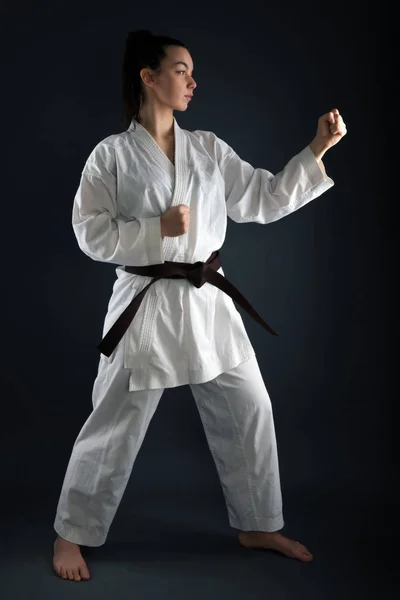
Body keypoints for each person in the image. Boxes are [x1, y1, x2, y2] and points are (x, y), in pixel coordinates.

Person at [52, 29, 347, 581]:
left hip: (208, 299)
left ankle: (258, 521)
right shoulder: (111, 155)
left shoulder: (208, 147)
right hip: (146, 303)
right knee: (114, 424)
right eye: (182, 69)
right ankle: (71, 534)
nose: (192, 80)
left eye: (191, 71)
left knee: (249, 409)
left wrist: (317, 150)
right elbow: (88, 231)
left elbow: (261, 197)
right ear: (148, 76)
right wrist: (153, 230)